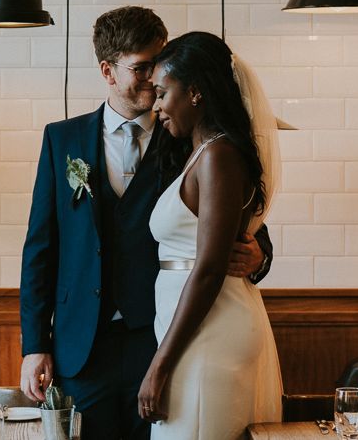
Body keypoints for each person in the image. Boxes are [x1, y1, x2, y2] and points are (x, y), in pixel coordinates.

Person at [19, 7, 274, 440]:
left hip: (162, 336)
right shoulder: (62, 140)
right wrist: (34, 345)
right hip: (83, 345)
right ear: (107, 70)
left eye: (158, 66)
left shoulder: (188, 137)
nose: (153, 80)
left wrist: (260, 253)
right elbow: (41, 248)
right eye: (140, 68)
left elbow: (238, 215)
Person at [137, 31, 283, 439]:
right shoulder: (201, 154)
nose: (158, 106)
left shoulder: (219, 156)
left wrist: (159, 365)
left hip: (209, 333)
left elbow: (207, 269)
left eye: (163, 93)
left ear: (195, 92)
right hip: (191, 330)